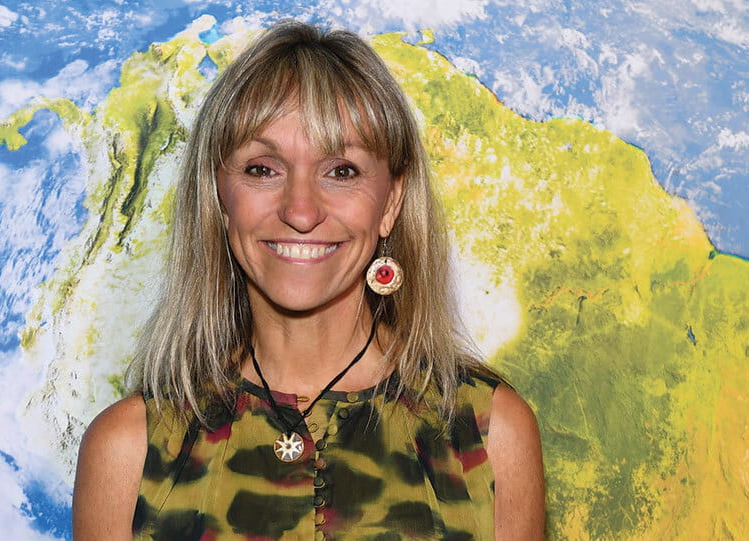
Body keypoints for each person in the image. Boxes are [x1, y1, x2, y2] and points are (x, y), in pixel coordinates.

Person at [73, 19, 544, 540]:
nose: (301, 210)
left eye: (341, 170)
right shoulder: (128, 448)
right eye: (261, 169)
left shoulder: (488, 431)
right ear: (218, 198)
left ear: (391, 202)